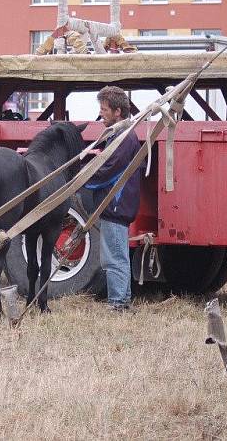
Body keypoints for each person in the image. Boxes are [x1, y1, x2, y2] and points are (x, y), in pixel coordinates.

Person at [86, 86, 142, 312]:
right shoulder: (123, 134)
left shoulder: (124, 137)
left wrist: (83, 177)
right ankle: (123, 301)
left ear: (118, 111)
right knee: (118, 255)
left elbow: (109, 170)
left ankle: (118, 303)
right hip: (117, 205)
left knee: (114, 258)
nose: (101, 114)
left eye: (105, 109)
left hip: (115, 205)